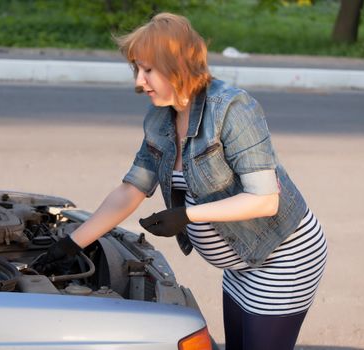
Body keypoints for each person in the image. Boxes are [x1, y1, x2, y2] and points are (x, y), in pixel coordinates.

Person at [38, 12, 327, 350]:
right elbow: (132, 189)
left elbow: (265, 199)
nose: (138, 82)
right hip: (240, 263)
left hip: (283, 257)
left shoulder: (231, 109)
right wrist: (71, 244)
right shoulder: (160, 118)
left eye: (148, 70)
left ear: (178, 65)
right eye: (137, 70)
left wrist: (188, 216)